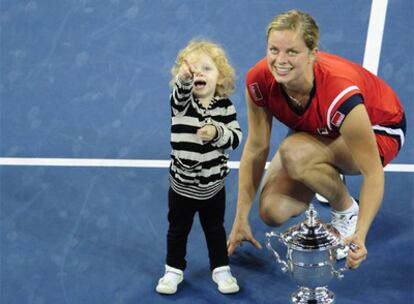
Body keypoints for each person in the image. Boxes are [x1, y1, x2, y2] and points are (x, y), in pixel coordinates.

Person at [227, 10, 406, 269]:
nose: (280, 60)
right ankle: (325, 169)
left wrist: (360, 234)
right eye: (274, 50)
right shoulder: (259, 80)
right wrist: (241, 218)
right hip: (319, 128)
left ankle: (346, 211)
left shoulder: (340, 92)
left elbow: (373, 173)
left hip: (380, 129)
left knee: (294, 152)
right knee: (272, 211)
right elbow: (256, 148)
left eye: (292, 52)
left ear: (314, 53)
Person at [156, 39, 242, 295]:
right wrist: (184, 80)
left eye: (207, 68)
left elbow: (236, 137)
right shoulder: (181, 104)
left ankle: (221, 268)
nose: (199, 73)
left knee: (215, 230)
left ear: (221, 78)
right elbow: (180, 92)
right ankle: (173, 270)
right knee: (177, 231)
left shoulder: (225, 107)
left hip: (214, 188)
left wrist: (216, 131)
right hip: (181, 187)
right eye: (193, 69)